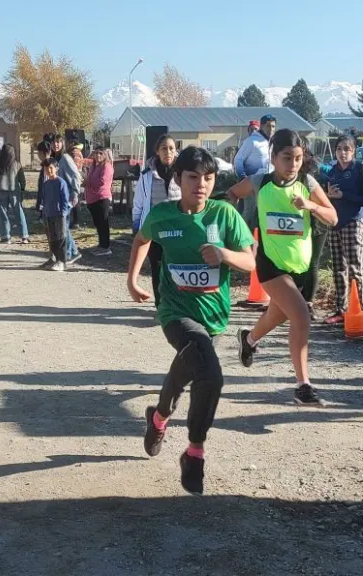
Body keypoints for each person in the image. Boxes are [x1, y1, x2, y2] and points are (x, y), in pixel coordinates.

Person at [129, 146, 255, 495]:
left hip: (213, 318)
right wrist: (133, 279)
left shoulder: (225, 214)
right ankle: (195, 452)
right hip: (175, 313)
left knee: (185, 370)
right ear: (178, 179)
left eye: (209, 178)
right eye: (193, 177)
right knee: (210, 376)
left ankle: (158, 416)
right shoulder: (163, 215)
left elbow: (250, 263)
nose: (201, 185)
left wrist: (224, 254)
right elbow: (141, 239)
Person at [228, 130, 338, 406]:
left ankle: (250, 339)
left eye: (299, 158)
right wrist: (238, 228)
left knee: (278, 315)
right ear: (273, 158)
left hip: (299, 266)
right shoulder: (259, 182)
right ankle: (303, 385)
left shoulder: (307, 182)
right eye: (287, 158)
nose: (293, 164)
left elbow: (333, 218)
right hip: (270, 265)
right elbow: (231, 194)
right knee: (301, 315)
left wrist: (311, 205)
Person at [323, 135, 363, 325]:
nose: (342, 153)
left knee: (354, 267)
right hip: (334, 221)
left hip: (353, 221)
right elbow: (323, 194)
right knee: (338, 267)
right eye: (339, 149)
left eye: (347, 149)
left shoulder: (359, 169)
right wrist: (328, 195)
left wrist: (345, 195)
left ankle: (357, 307)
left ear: (353, 151)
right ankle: (340, 308)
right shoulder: (332, 171)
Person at [132, 134, 181, 307]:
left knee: (176, 269)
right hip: (155, 231)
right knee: (158, 268)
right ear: (157, 152)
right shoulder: (147, 175)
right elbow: (139, 202)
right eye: (164, 148)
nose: (168, 152)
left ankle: (176, 305)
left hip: (179, 231)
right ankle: (161, 306)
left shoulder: (183, 173)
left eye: (171, 148)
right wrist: (136, 225)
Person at [300, 150, 330, 321]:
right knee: (306, 262)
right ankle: (298, 301)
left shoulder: (315, 171)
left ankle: (307, 303)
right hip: (303, 220)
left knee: (312, 262)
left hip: (316, 220)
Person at [52, 135, 82, 263]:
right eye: (53, 142)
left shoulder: (65, 158)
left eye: (58, 142)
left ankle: (70, 253)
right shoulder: (54, 158)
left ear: (63, 143)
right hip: (58, 195)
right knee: (62, 226)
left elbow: (76, 175)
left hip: (68, 194)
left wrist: (75, 192)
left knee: (63, 226)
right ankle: (73, 251)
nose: (56, 144)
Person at [0, 144, 29, 244]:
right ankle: (24, 236)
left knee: (3, 213)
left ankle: (6, 236)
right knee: (19, 212)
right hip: (14, 191)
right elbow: (22, 178)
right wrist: (22, 188)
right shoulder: (17, 164)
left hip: (1, 190)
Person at [40, 157, 71, 272]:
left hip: (59, 215)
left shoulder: (61, 182)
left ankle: (62, 262)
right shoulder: (46, 183)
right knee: (52, 238)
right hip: (49, 214)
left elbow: (65, 199)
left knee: (61, 238)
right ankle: (54, 259)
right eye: (46, 168)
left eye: (51, 168)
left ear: (56, 168)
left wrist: (63, 212)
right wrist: (44, 211)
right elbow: (45, 199)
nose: (49, 170)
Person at [84, 147, 114, 256]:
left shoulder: (107, 166)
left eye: (101, 153)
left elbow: (102, 182)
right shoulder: (93, 165)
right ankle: (101, 245)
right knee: (98, 224)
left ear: (105, 155)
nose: (98, 156)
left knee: (103, 223)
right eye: (96, 153)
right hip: (92, 199)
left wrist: (88, 183)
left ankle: (106, 247)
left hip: (102, 198)